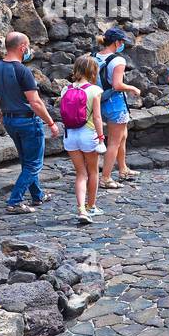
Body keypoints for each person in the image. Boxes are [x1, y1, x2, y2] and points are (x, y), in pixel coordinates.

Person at [0, 31, 61, 215]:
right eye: (28, 46)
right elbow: (35, 102)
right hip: (27, 121)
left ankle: (38, 195)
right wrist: (50, 122)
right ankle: (15, 201)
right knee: (33, 164)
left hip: (10, 120)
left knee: (26, 161)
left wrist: (1, 116)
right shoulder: (22, 71)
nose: (29, 49)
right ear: (22, 47)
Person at [60, 55, 105, 225]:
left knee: (81, 174)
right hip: (88, 134)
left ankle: (81, 209)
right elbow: (98, 117)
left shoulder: (65, 90)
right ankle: (91, 206)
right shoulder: (94, 91)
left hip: (70, 135)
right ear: (93, 71)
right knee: (93, 172)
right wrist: (101, 139)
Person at [95, 28, 141, 189]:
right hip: (115, 102)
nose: (122, 45)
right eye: (121, 42)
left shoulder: (94, 57)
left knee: (123, 135)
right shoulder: (118, 61)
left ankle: (123, 169)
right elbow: (117, 85)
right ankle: (105, 178)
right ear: (116, 42)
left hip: (99, 100)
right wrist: (132, 88)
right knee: (114, 141)